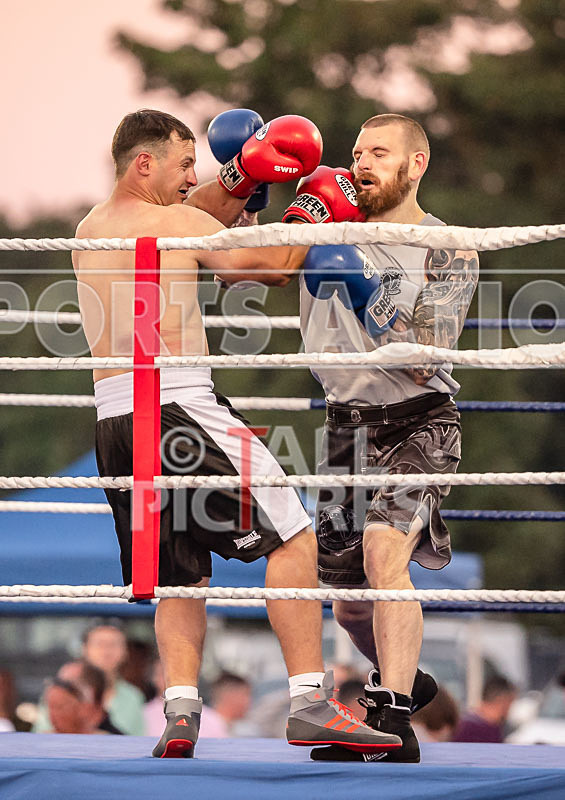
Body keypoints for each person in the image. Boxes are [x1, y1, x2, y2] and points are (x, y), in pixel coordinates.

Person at [73, 108, 404, 759]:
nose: (189, 178)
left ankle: (180, 714)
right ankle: (309, 702)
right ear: (145, 163)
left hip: (114, 421)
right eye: (182, 164)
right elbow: (266, 265)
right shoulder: (174, 222)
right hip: (177, 406)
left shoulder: (93, 227)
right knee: (294, 534)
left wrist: (240, 176)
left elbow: (194, 213)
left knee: (180, 575)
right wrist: (315, 209)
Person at [283, 113, 479, 762]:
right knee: (349, 608)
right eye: (356, 151)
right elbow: (243, 270)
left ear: (415, 164)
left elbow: (426, 357)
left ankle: (392, 716)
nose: (361, 162)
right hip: (345, 428)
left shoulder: (445, 245)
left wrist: (365, 288)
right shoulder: (321, 225)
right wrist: (246, 184)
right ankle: (409, 679)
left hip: (419, 419)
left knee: (382, 553)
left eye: (379, 151)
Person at [44, 660, 122, 735]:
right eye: (52, 706)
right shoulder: (46, 738)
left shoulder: (115, 740)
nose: (52, 715)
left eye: (60, 706)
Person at [452, 675, 517, 743]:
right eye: (511, 703)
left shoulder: (464, 722)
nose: (511, 709)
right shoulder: (471, 728)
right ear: (504, 702)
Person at [199, 671, 252, 738]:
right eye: (246, 695)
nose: (249, 701)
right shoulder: (205, 723)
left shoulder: (218, 725)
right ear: (232, 696)